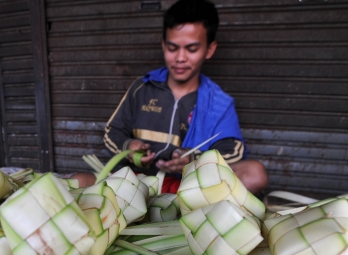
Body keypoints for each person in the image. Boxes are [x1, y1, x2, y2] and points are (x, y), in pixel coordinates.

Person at [103, 0, 268, 194]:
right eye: (173, 48)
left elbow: (233, 152)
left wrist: (192, 159)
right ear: (164, 45)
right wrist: (129, 146)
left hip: (188, 188)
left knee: (255, 173)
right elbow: (112, 132)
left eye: (191, 49)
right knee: (79, 180)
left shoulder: (219, 103)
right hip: (134, 182)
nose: (180, 58)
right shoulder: (142, 88)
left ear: (209, 49)